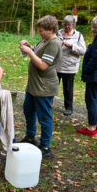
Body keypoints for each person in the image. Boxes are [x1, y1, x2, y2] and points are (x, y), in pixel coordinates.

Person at [19, 15, 62, 158]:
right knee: (28, 111)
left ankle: (45, 146)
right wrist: (29, 47)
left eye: (42, 30)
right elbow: (38, 53)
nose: (40, 32)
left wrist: (30, 52)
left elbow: (43, 65)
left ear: (51, 29)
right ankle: (30, 137)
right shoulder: (45, 40)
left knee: (44, 117)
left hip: (44, 88)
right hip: (33, 86)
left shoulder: (54, 43)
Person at [56, 15, 86, 116]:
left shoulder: (78, 35)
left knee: (68, 89)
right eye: (65, 25)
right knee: (51, 86)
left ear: (73, 25)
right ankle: (47, 103)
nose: (67, 27)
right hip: (56, 66)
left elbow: (83, 51)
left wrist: (72, 46)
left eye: (69, 25)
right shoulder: (57, 33)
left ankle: (68, 108)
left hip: (69, 67)